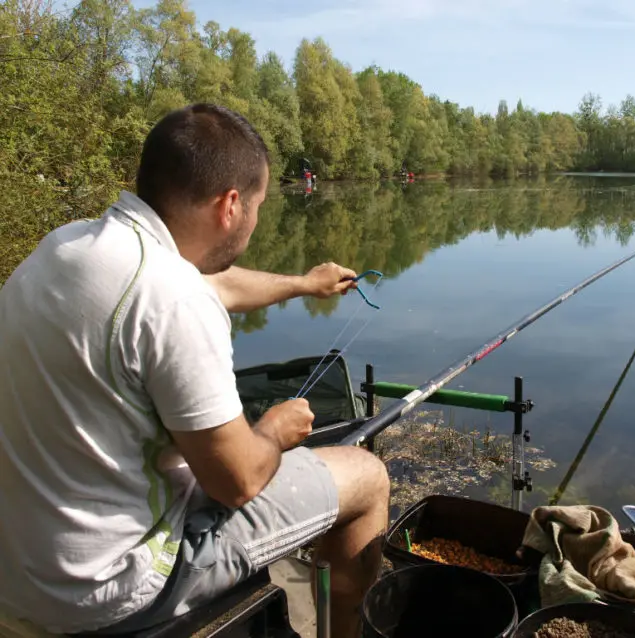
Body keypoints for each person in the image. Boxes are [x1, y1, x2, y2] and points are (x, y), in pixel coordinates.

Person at [0, 103, 390, 638]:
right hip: (107, 589)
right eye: (256, 205)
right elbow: (239, 482)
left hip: (20, 570)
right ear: (230, 205)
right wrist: (273, 432)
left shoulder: (68, 247)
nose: (255, 220)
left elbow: (220, 286)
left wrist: (305, 284)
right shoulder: (173, 299)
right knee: (367, 477)